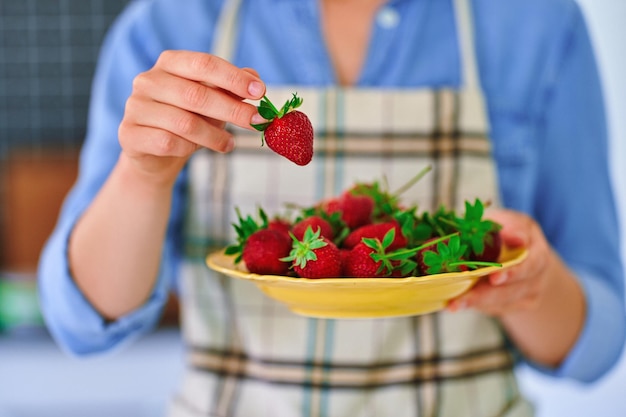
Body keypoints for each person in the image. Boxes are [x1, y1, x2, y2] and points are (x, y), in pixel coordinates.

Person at [38, 0, 625, 416]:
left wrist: (531, 285)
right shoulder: (168, 24)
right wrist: (144, 176)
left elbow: (596, 343)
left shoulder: (537, 22)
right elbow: (85, 321)